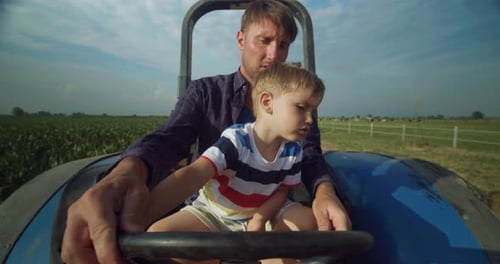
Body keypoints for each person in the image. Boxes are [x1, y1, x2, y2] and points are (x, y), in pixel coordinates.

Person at [61, 1, 351, 263]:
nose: (274, 54)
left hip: (267, 211)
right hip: (215, 211)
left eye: (284, 45)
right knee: (161, 241)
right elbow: (171, 141)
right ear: (241, 39)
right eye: (264, 41)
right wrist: (128, 177)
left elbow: (310, 157)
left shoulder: (297, 117)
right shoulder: (206, 93)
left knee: (316, 228)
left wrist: (325, 193)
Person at [146, 62, 324, 264]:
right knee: (158, 235)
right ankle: (220, 257)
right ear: (267, 103)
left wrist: (260, 219)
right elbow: (194, 174)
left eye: (313, 111)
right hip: (216, 214)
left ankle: (270, 251)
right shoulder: (236, 140)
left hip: (263, 214)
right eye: (302, 108)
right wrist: (142, 215)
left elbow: (282, 191)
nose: (310, 119)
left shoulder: (293, 150)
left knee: (315, 222)